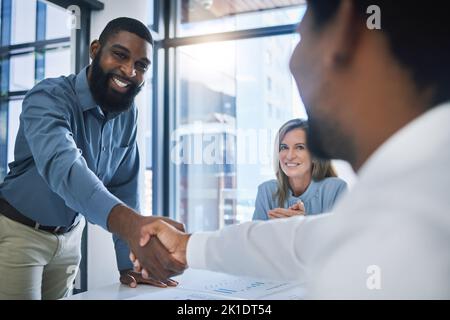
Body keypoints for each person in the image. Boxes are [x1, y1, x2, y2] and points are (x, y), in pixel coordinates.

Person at [133, 0, 450, 299]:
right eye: (285, 146)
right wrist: (188, 246)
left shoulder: (407, 228)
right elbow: (306, 239)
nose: (293, 64)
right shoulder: (418, 192)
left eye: (300, 36)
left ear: (344, 28)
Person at [0, 17, 184, 300]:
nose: (129, 70)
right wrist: (133, 225)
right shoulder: (48, 97)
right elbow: (66, 169)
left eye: (141, 66)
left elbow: (125, 186)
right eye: (120, 55)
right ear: (96, 50)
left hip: (70, 237)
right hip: (19, 233)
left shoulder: (128, 114)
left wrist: (130, 263)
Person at [253, 118, 347, 220]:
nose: (289, 156)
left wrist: (303, 223)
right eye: (284, 147)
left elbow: (343, 235)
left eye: (300, 147)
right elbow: (256, 235)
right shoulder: (266, 191)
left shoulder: (335, 189)